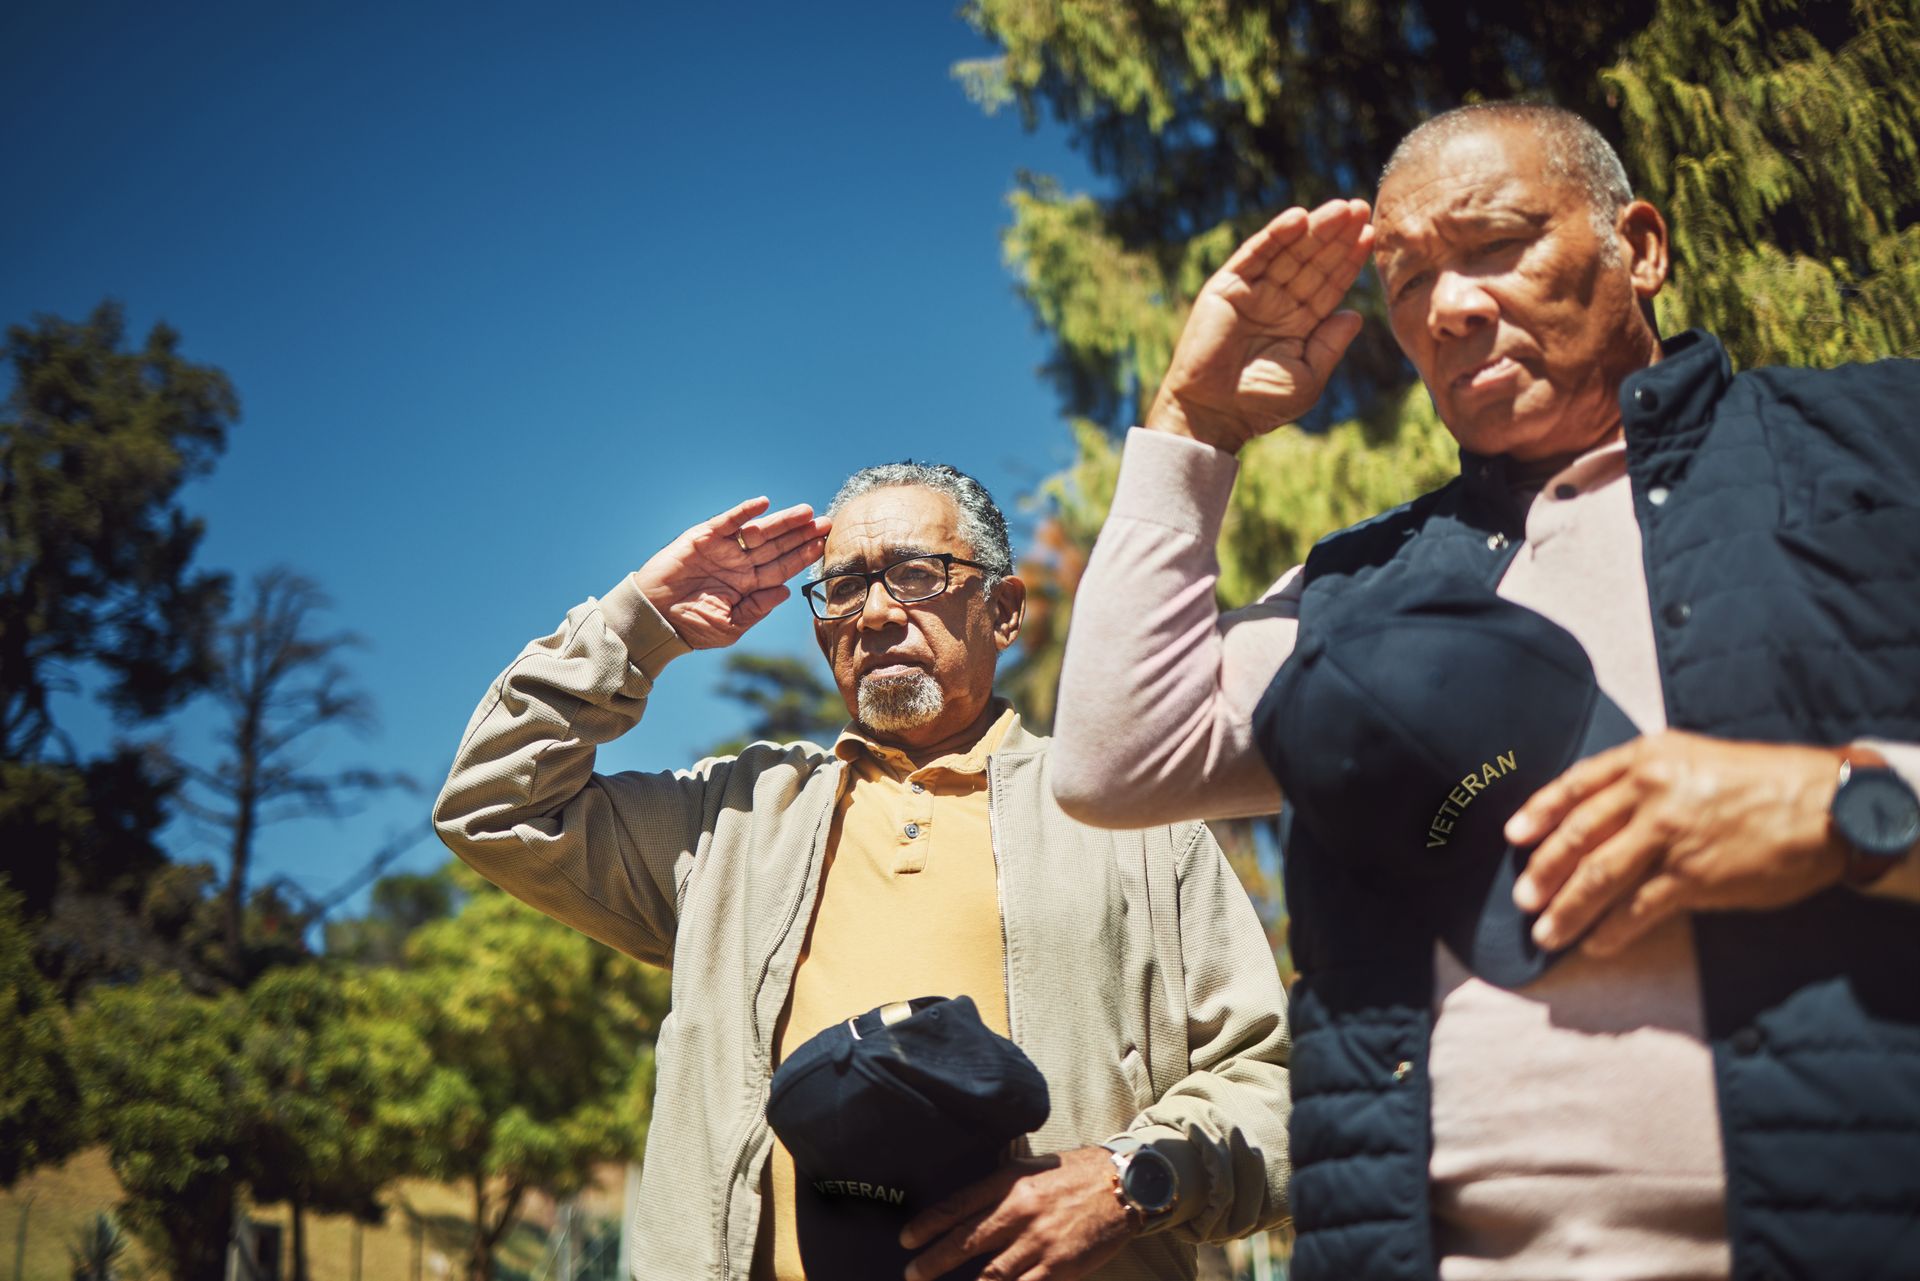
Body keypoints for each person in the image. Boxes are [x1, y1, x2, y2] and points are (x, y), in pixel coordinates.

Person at [1049, 102, 1920, 1281]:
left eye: (1498, 243)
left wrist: (1856, 809)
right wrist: (1196, 425)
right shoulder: (1366, 588)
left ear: (1642, 249)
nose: (1450, 308)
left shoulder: (1880, 449)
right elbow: (1117, 760)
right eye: (1407, 283)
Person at [432, 462, 1293, 1281]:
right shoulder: (737, 816)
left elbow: (1276, 1085)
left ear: (1002, 610)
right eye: (843, 587)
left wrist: (1123, 1177)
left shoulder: (1129, 823)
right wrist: (639, 625)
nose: (874, 614)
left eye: (916, 574)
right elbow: (493, 805)